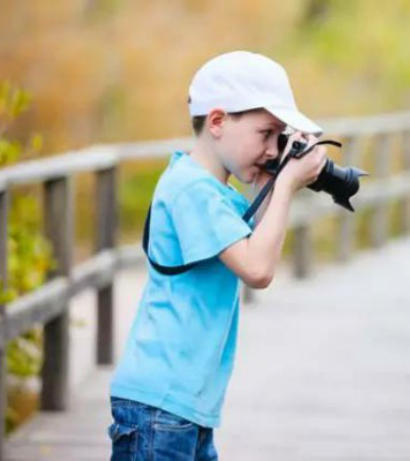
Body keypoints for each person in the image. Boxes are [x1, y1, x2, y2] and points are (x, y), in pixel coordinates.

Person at [107, 50, 327, 460]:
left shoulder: (209, 190)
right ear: (218, 122)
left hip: (184, 405)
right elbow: (258, 269)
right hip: (162, 405)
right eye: (266, 134)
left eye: (278, 138)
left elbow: (257, 243)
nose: (271, 147)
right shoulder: (194, 192)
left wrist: (272, 176)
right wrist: (285, 187)